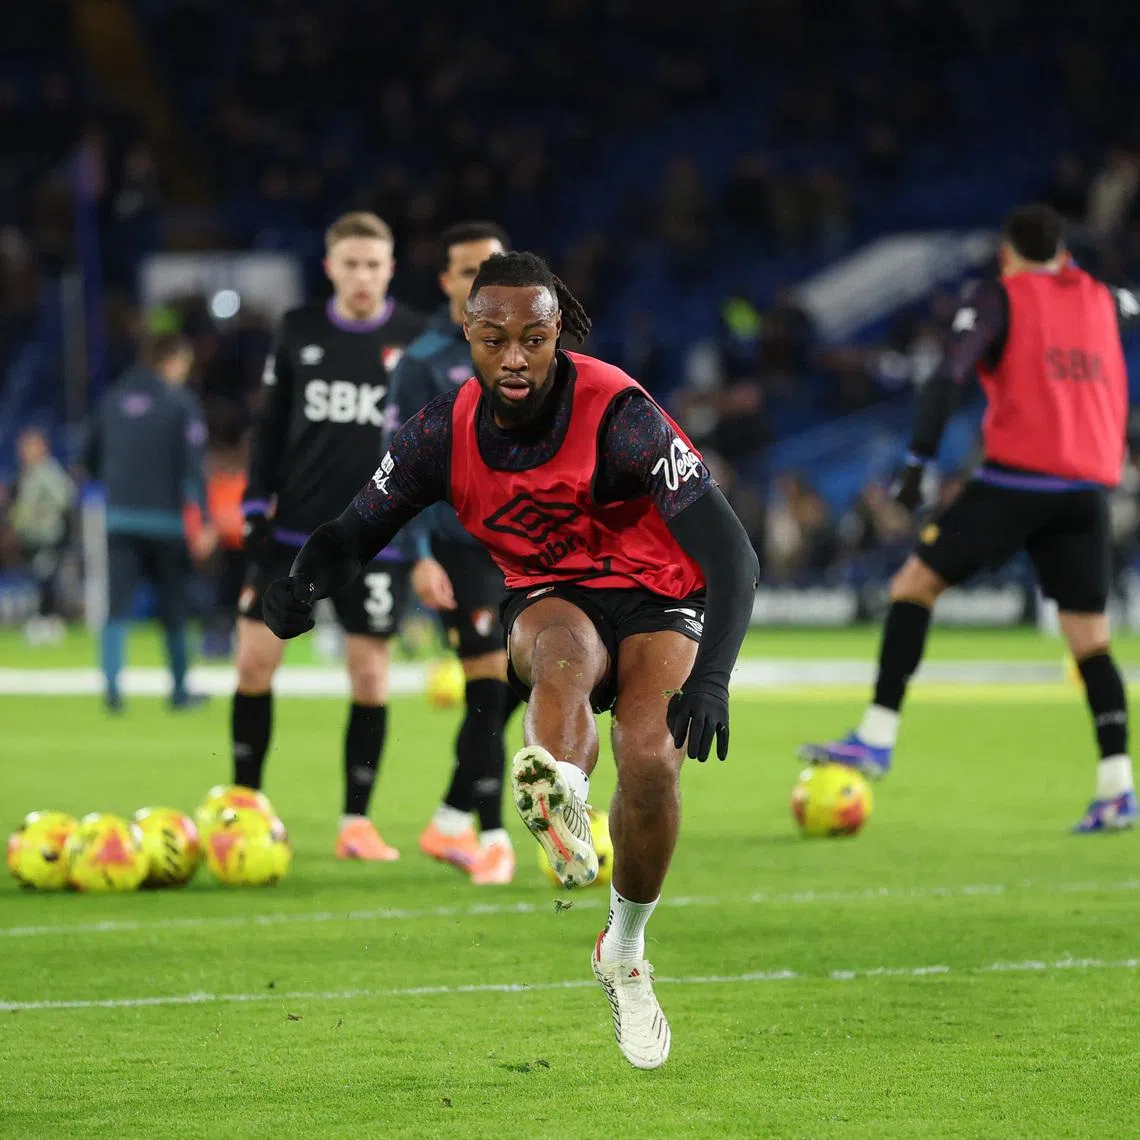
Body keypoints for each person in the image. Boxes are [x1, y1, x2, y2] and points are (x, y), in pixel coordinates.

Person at [260, 251, 759, 1070]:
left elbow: (732, 554)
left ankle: (624, 953)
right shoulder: (439, 432)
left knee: (652, 762)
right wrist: (302, 584)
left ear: (557, 330)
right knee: (559, 654)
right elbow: (356, 530)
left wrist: (713, 678)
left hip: (659, 592)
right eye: (494, 340)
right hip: (550, 593)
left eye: (533, 338)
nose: (515, 358)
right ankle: (562, 792)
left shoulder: (620, 414)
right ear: (469, 334)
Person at [803, 203, 1140, 832]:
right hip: (1087, 491)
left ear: (1009, 254)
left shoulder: (1001, 297)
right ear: (1064, 254)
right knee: (1090, 641)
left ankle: (876, 734)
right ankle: (1117, 786)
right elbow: (1129, 305)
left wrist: (916, 464)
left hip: (1017, 481)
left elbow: (949, 377)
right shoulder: (1105, 298)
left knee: (914, 586)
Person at [233, 211, 427, 861]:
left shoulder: (415, 339)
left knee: (370, 675)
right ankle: (244, 806)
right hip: (291, 533)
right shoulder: (299, 330)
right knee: (256, 661)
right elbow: (268, 427)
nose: (363, 276)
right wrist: (254, 505)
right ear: (330, 268)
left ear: (391, 268)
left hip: (378, 537)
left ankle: (355, 823)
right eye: (351, 264)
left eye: (374, 265)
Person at [389, 221, 523, 886]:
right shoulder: (420, 363)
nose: (480, 283)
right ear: (446, 282)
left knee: (514, 687)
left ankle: (446, 822)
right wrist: (417, 554)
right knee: (490, 686)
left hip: (521, 545)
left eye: (491, 270)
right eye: (468, 271)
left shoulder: (523, 354)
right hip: (455, 543)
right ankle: (492, 835)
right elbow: (401, 466)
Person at [84, 330, 212, 711]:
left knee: (116, 607)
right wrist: (202, 519)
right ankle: (179, 691)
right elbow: (193, 469)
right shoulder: (180, 403)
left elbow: (89, 459)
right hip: (166, 523)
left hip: (120, 519)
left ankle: (111, 690)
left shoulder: (111, 400)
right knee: (173, 607)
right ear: (172, 360)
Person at [7, 427, 75, 644]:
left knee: (46, 577)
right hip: (32, 537)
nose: (25, 451)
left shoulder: (48, 471)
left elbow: (65, 497)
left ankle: (48, 622)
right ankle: (44, 620)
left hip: (48, 535)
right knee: (39, 578)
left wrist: (42, 514)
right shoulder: (28, 472)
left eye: (30, 446)